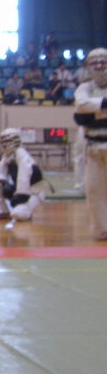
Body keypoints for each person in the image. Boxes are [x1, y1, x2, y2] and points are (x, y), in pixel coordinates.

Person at [73, 48, 107, 239]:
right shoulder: (84, 88)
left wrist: (93, 112)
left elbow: (86, 112)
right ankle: (102, 229)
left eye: (103, 62)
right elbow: (81, 108)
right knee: (94, 190)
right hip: (93, 146)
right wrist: (104, 105)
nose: (99, 66)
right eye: (95, 63)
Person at [0, 128, 46, 221]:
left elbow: (24, 179)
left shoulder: (23, 157)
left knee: (18, 214)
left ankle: (26, 210)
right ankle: (2, 211)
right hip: (18, 188)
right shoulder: (7, 157)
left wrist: (19, 197)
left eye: (7, 141)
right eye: (2, 142)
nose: (4, 145)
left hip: (34, 192)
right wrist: (5, 185)